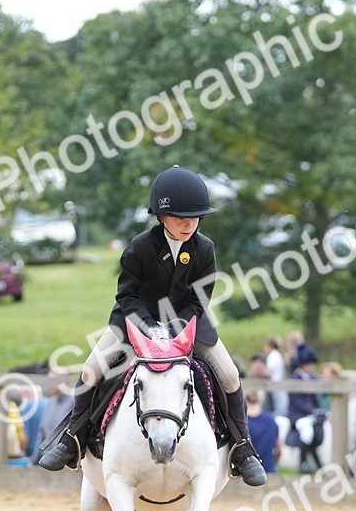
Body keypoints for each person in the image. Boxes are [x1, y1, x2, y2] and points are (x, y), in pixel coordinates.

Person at [37, 165, 267, 486]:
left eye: (195, 218)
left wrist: (174, 331)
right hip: (133, 322)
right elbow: (127, 295)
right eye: (180, 218)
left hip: (188, 324)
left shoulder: (205, 249)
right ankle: (72, 438)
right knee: (91, 369)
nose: (189, 225)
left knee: (229, 375)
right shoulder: (141, 246)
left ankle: (243, 449)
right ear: (161, 217)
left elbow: (199, 300)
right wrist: (149, 329)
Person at [285, 347, 326, 474]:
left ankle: (317, 465)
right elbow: (296, 402)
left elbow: (315, 398)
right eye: (309, 364)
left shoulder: (313, 378)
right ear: (303, 365)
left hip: (311, 414)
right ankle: (303, 463)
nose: (312, 367)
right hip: (298, 414)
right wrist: (313, 410)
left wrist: (319, 409)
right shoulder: (295, 378)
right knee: (307, 433)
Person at [245, 389, 281, 475]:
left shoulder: (241, 422)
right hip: (269, 471)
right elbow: (279, 450)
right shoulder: (271, 420)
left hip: (246, 473)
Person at [263, 335, 288, 417]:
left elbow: (269, 371)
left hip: (274, 384)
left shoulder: (273, 355)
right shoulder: (278, 355)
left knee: (279, 408)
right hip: (278, 383)